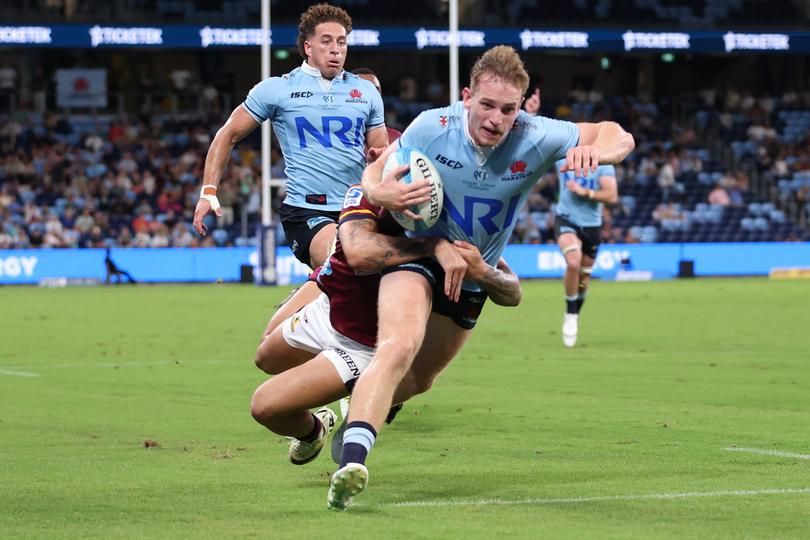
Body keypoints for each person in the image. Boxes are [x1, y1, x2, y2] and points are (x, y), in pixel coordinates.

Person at [327, 45, 634, 510]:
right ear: (467, 96)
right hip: (421, 252)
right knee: (399, 344)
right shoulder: (433, 126)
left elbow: (618, 134)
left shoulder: (537, 135)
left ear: (520, 109)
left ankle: (357, 413)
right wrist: (378, 189)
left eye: (508, 109)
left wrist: (597, 152)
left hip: (474, 273)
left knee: (422, 378)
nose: (496, 118)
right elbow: (375, 170)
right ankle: (354, 461)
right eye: (487, 105)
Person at [250, 184, 520, 465]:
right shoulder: (365, 194)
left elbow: (512, 292)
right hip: (328, 303)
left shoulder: (455, 231)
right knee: (265, 358)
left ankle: (315, 431)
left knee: (264, 406)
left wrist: (484, 273)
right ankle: (351, 399)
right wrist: (431, 247)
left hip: (359, 346)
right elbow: (355, 252)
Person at [192, 3, 389, 269]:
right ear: (308, 47)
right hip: (308, 211)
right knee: (342, 259)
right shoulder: (278, 89)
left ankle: (303, 310)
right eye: (326, 41)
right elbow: (228, 135)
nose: (336, 49)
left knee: (367, 277)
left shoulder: (366, 93)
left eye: (342, 42)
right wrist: (208, 191)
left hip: (356, 209)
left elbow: (380, 156)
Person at [554, 158, 617, 348]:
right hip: (566, 220)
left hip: (591, 227)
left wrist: (586, 192)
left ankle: (575, 311)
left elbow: (612, 196)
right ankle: (570, 313)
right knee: (573, 262)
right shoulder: (562, 158)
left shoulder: (603, 165)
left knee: (583, 279)